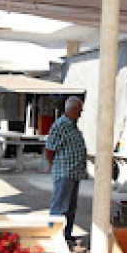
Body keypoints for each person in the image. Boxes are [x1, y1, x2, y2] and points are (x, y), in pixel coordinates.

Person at [45, 96, 88, 241]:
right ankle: (54, 236)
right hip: (65, 172)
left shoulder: (72, 125)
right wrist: (51, 163)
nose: (81, 114)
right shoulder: (61, 125)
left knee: (70, 208)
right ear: (73, 109)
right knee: (60, 208)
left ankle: (66, 235)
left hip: (74, 173)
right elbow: (50, 148)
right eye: (80, 111)